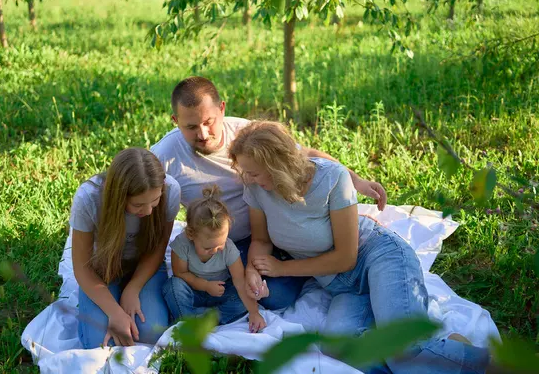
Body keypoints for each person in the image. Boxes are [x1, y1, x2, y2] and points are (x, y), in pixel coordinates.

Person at [228, 121, 491, 373]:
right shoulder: (257, 189)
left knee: (402, 347)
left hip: (379, 257)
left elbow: (346, 258)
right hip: (341, 286)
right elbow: (261, 241)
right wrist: (253, 268)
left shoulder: (331, 178)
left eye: (252, 172)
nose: (247, 178)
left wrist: (282, 269)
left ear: (275, 165)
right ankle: (451, 355)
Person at [151, 76, 387, 310]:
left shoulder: (246, 136)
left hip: (266, 235)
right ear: (175, 121)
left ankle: (294, 266)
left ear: (222, 109)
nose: (202, 134)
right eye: (190, 127)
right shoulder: (166, 153)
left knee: (272, 294)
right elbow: (137, 180)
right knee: (249, 291)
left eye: (208, 122)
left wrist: (356, 180)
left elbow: (305, 155)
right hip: (219, 242)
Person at [70, 148, 180, 348]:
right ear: (119, 196)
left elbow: (157, 248)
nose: (147, 211)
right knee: (100, 342)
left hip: (145, 266)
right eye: (138, 205)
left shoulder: (171, 190)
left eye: (154, 201)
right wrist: (114, 311)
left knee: (148, 333)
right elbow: (81, 267)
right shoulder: (89, 198)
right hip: (103, 269)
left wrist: (133, 289)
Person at [162, 185, 267, 333]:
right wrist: (205, 285)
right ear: (191, 235)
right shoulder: (182, 245)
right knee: (173, 287)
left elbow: (239, 281)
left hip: (220, 292)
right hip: (193, 291)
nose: (215, 250)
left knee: (240, 302)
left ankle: (200, 318)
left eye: (220, 244)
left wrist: (254, 313)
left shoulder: (229, 249)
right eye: (207, 248)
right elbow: (180, 274)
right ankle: (189, 319)